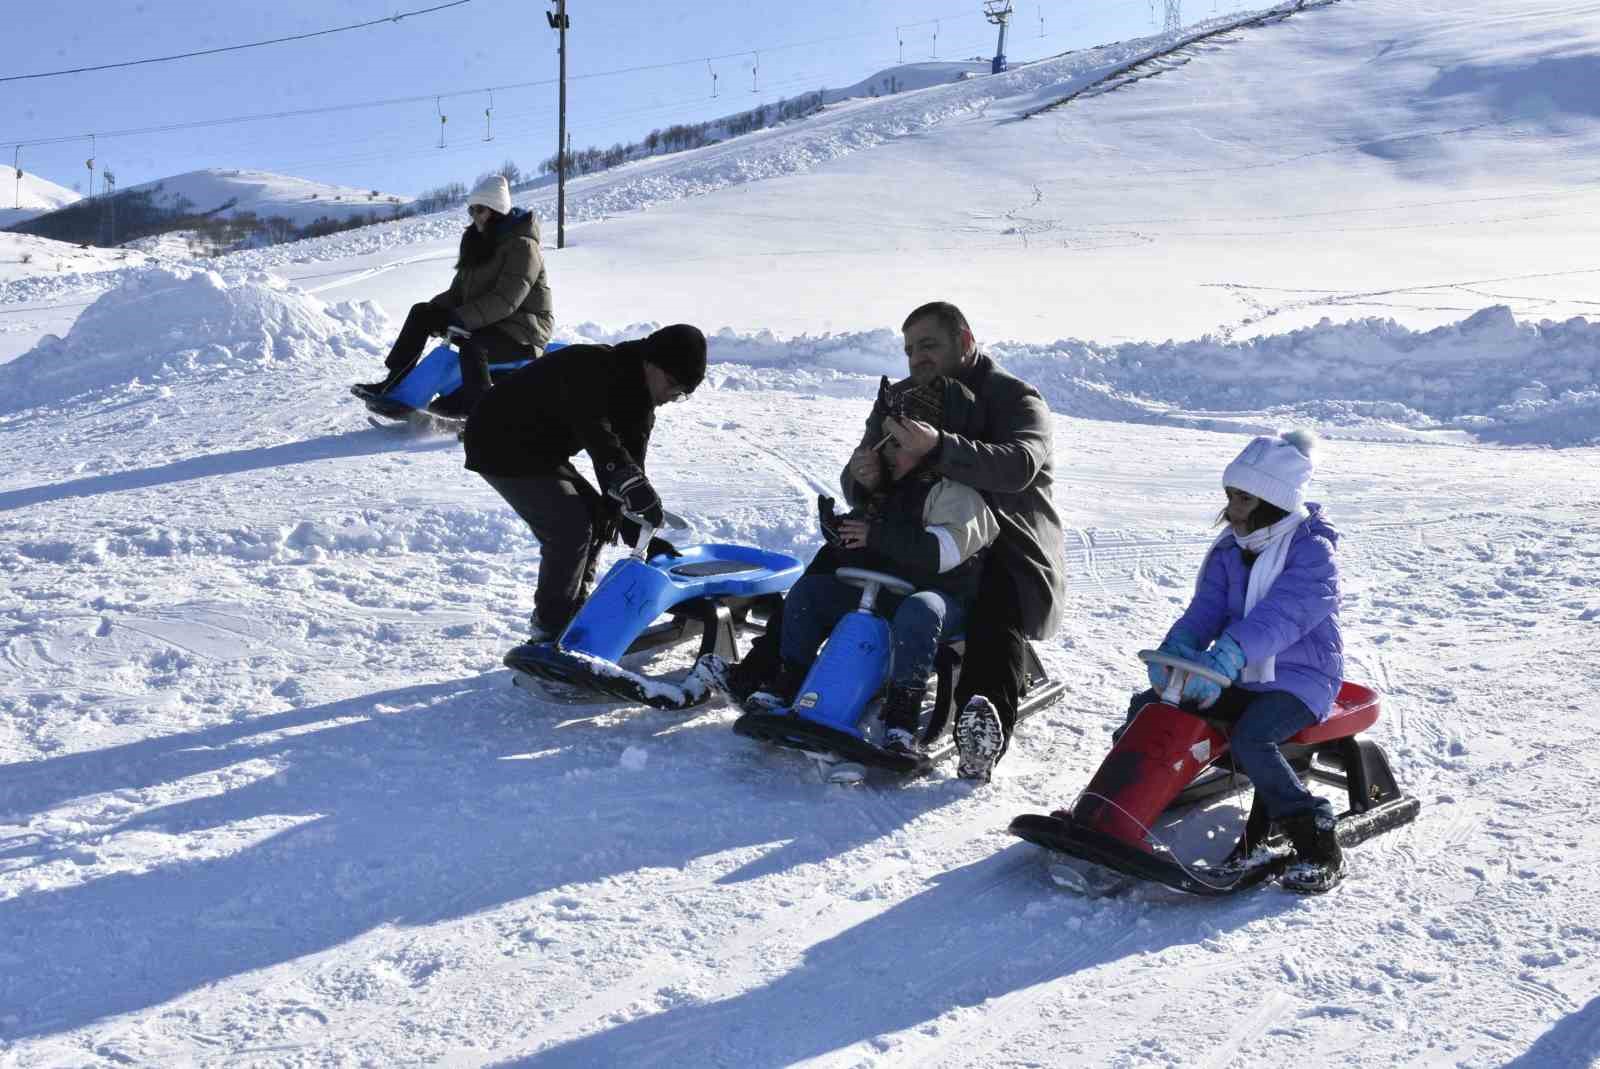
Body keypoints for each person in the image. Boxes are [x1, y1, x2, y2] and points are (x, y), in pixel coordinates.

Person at [715, 301, 1067, 782]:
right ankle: (766, 672)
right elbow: (864, 465)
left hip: (999, 536)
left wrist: (938, 448)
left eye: (929, 345)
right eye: (909, 350)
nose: (917, 358)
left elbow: (1020, 465)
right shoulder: (901, 396)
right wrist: (865, 477)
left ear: (964, 342)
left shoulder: (1014, 398)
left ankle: (983, 720)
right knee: (833, 556)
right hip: (905, 530)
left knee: (996, 596)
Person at [1130, 429, 1345, 893]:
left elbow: (1284, 615)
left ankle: (1315, 837)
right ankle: (1126, 801)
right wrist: (1179, 649)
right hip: (1238, 671)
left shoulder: (1311, 551)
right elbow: (1206, 608)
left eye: (1243, 499)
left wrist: (1229, 654)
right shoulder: (1232, 548)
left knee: (1253, 738)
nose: (1232, 509)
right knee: (1152, 704)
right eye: (1230, 496)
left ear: (1272, 500)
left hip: (1301, 678)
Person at [743, 377, 998, 757]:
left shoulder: (958, 494)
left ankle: (901, 718)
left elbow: (940, 554)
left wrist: (875, 535)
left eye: (896, 444)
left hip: (942, 604)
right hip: (883, 594)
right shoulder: (890, 488)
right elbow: (872, 548)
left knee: (920, 608)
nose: (884, 452)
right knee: (812, 591)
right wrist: (844, 536)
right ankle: (787, 679)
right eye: (883, 442)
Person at [460, 324, 706, 639]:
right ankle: (551, 627)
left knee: (602, 517)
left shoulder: (642, 404)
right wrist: (625, 479)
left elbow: (629, 468)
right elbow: (596, 432)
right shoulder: (592, 367)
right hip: (496, 439)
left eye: (682, 393)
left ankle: (576, 608)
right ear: (650, 361)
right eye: (672, 383)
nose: (673, 396)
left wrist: (637, 527)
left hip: (540, 450)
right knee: (569, 526)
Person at [354, 173, 554, 418]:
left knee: (474, 345)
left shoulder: (522, 245)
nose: (474, 217)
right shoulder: (478, 242)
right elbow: (459, 292)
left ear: (496, 209)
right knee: (422, 313)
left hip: (523, 329)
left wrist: (460, 318)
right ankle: (394, 382)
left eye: (479, 210)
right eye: (471, 210)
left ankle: (481, 413)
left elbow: (506, 300)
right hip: (488, 321)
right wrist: (437, 312)